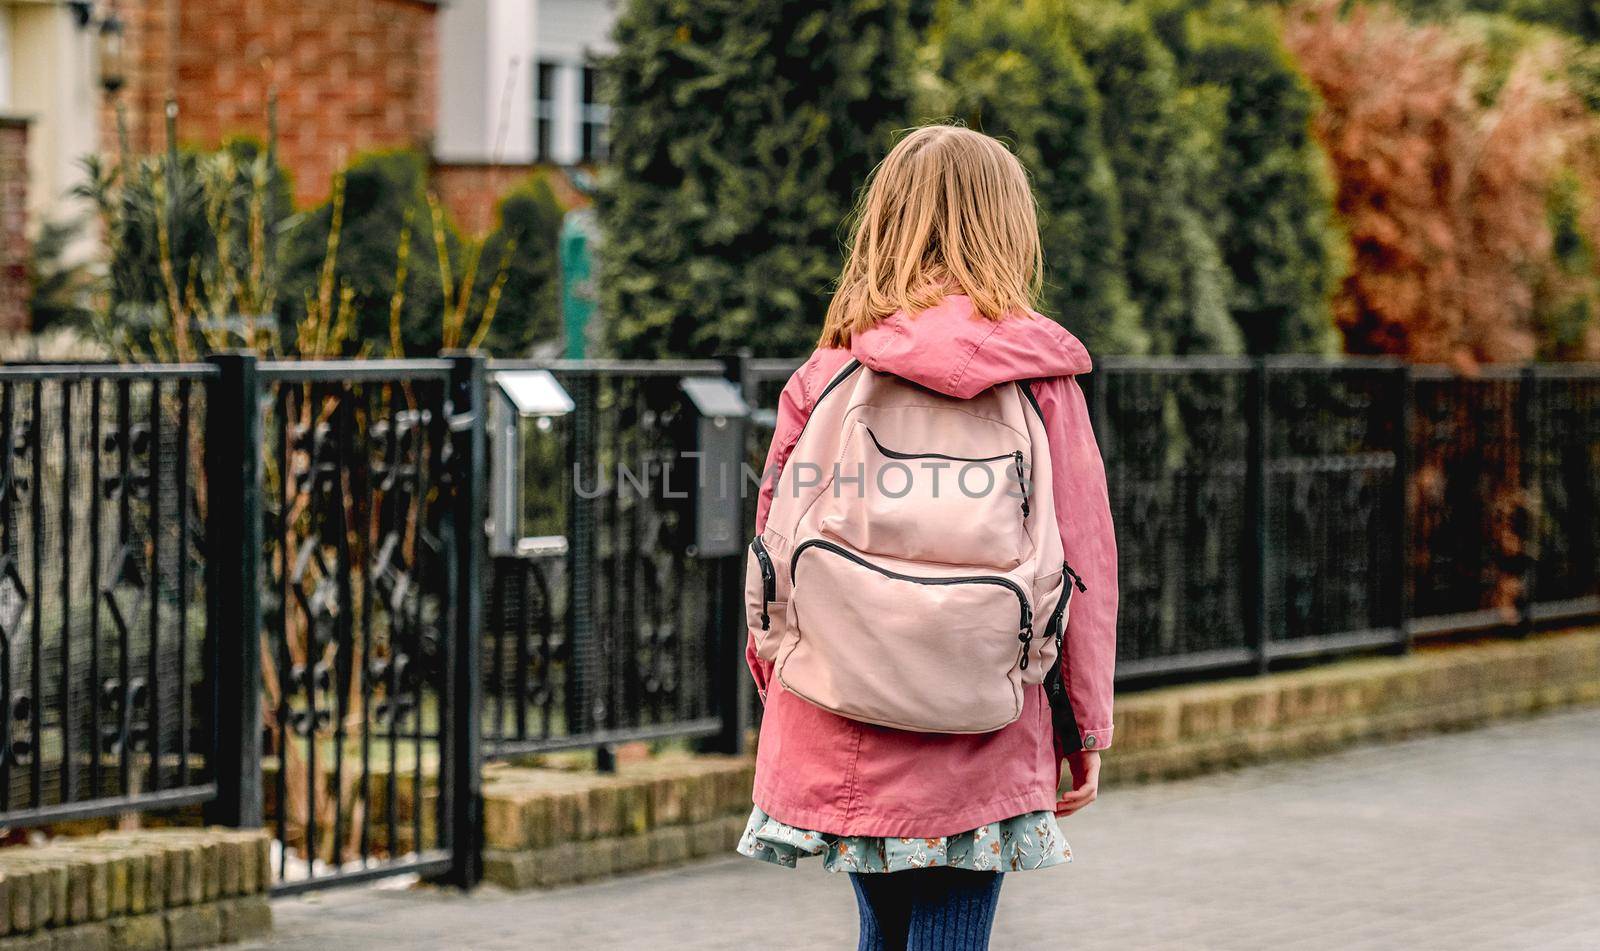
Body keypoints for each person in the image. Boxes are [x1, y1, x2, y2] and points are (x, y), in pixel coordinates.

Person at [735, 123, 1119, 951]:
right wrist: (1083, 727)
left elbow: (771, 555)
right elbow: (1083, 561)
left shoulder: (828, 373)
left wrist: (782, 695)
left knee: (885, 934)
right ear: (1007, 229)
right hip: (985, 717)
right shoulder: (1039, 380)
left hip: (843, 710)